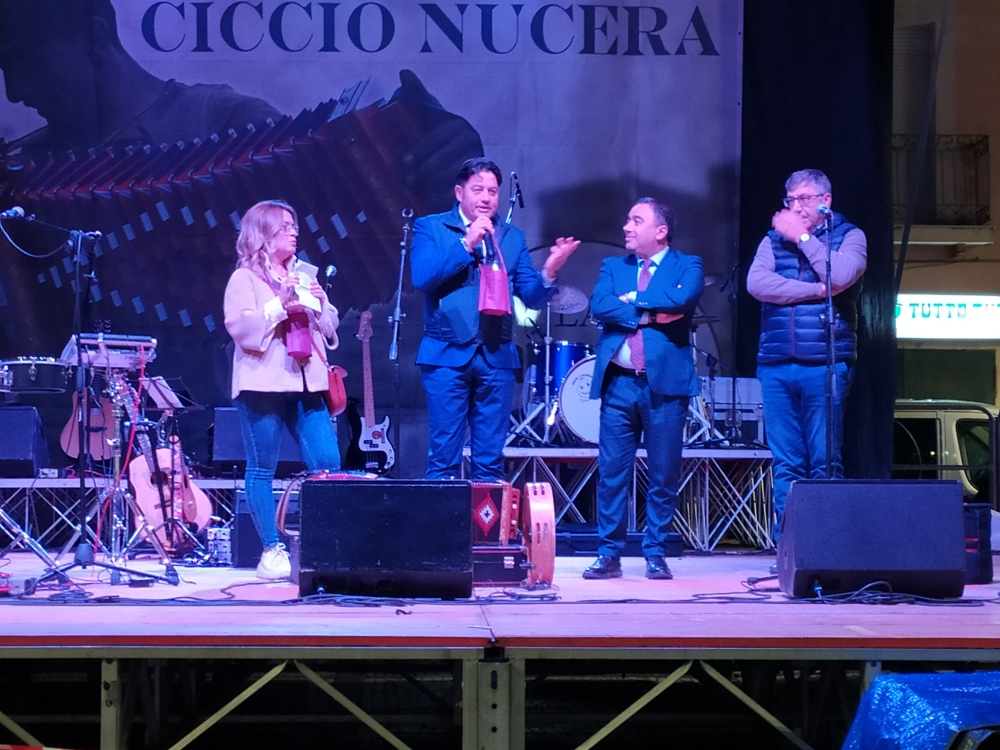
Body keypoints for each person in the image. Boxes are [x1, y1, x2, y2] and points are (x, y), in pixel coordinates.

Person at [410, 157, 579, 481]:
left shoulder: (511, 237)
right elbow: (423, 277)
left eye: (492, 191)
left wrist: (550, 270)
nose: (486, 198)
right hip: (446, 355)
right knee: (444, 460)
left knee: (489, 463)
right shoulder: (431, 227)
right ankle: (443, 515)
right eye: (478, 190)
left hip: (496, 357)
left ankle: (486, 517)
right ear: (459, 192)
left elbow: (530, 295)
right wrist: (466, 243)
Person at [583, 198, 704, 581]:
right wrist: (652, 314)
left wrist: (634, 301)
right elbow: (600, 305)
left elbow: (683, 300)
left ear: (661, 231)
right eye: (628, 219)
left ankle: (655, 552)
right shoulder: (613, 266)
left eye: (637, 220)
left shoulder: (687, 264)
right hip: (619, 383)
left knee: (663, 473)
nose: (627, 227)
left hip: (665, 386)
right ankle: (609, 554)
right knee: (612, 473)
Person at [746, 168, 867, 542]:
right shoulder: (771, 240)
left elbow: (841, 275)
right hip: (776, 363)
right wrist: (816, 290)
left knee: (825, 461)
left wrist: (801, 237)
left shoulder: (850, 236)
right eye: (790, 200)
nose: (795, 207)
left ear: (825, 201)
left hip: (825, 364)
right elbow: (757, 284)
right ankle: (789, 547)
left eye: (804, 199)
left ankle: (826, 546)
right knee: (786, 463)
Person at [224, 199, 341, 580]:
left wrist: (320, 306)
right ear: (263, 234)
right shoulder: (244, 279)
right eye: (285, 226)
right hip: (263, 384)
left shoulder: (303, 274)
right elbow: (242, 329)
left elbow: (330, 324)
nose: (294, 232)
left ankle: (321, 546)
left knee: (328, 465)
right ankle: (272, 551)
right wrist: (280, 302)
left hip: (307, 382)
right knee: (262, 467)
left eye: (294, 226)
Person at [0, 0, 281, 151]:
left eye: (27, 64)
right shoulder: (22, 165)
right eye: (4, 70)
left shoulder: (232, 122)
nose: (14, 92)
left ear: (95, 39)